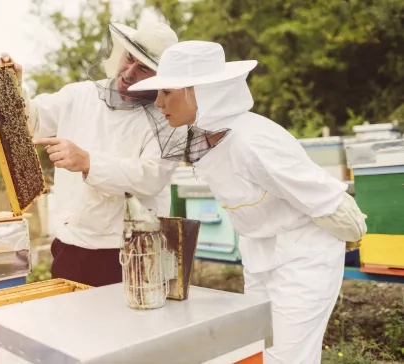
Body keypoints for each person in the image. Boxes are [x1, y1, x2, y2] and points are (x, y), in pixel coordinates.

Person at [128, 40, 367, 363]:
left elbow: (328, 201)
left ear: (199, 92)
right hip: (259, 253)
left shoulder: (255, 141)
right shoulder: (210, 136)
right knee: (255, 351)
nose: (158, 102)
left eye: (166, 92)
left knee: (287, 357)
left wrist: (352, 233)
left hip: (304, 256)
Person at [0, 22, 179, 287]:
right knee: (68, 326)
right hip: (70, 246)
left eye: (144, 68)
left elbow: (150, 176)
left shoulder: (167, 117)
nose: (129, 72)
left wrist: (88, 162)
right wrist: (13, 88)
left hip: (132, 251)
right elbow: (31, 122)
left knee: (126, 328)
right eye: (129, 59)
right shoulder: (79, 95)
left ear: (160, 77)